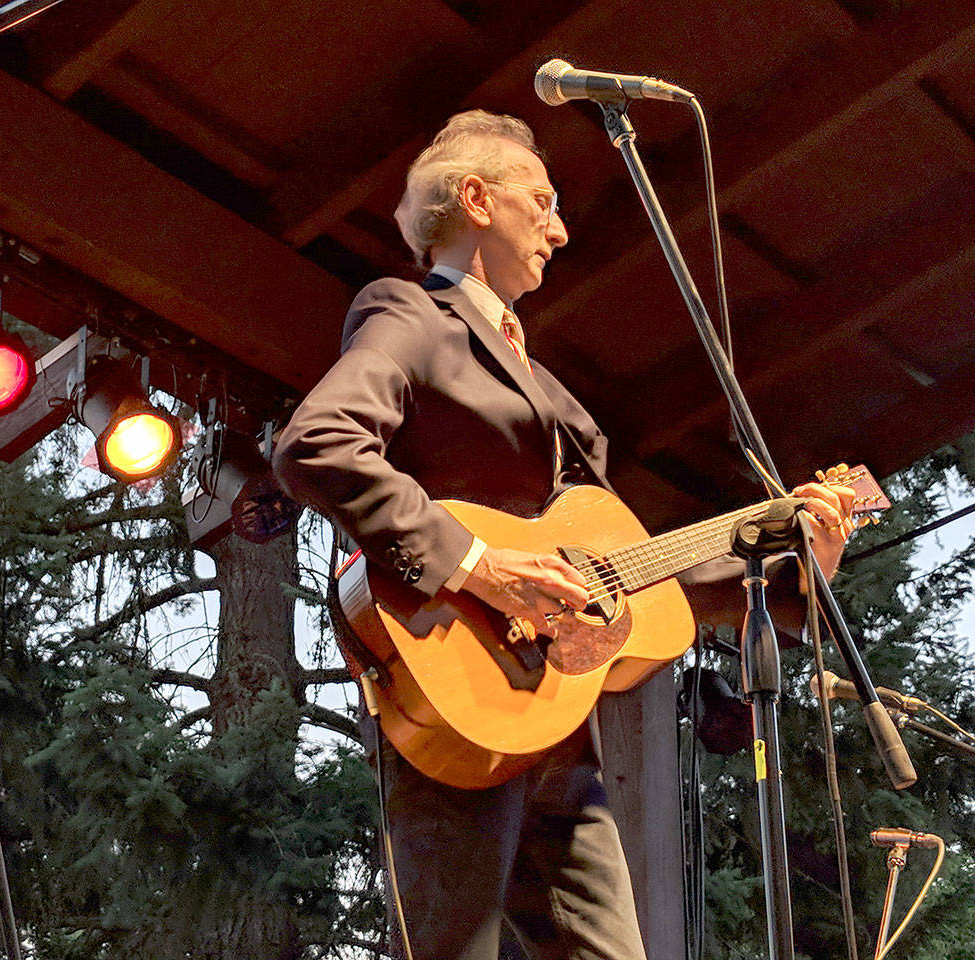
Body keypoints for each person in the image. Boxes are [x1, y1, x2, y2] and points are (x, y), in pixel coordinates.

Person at [271, 109, 855, 960]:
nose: (561, 227)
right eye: (540, 201)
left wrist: (796, 568)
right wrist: (477, 566)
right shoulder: (411, 314)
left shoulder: (550, 392)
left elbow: (624, 576)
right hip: (455, 695)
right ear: (476, 199)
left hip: (553, 721)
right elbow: (316, 443)